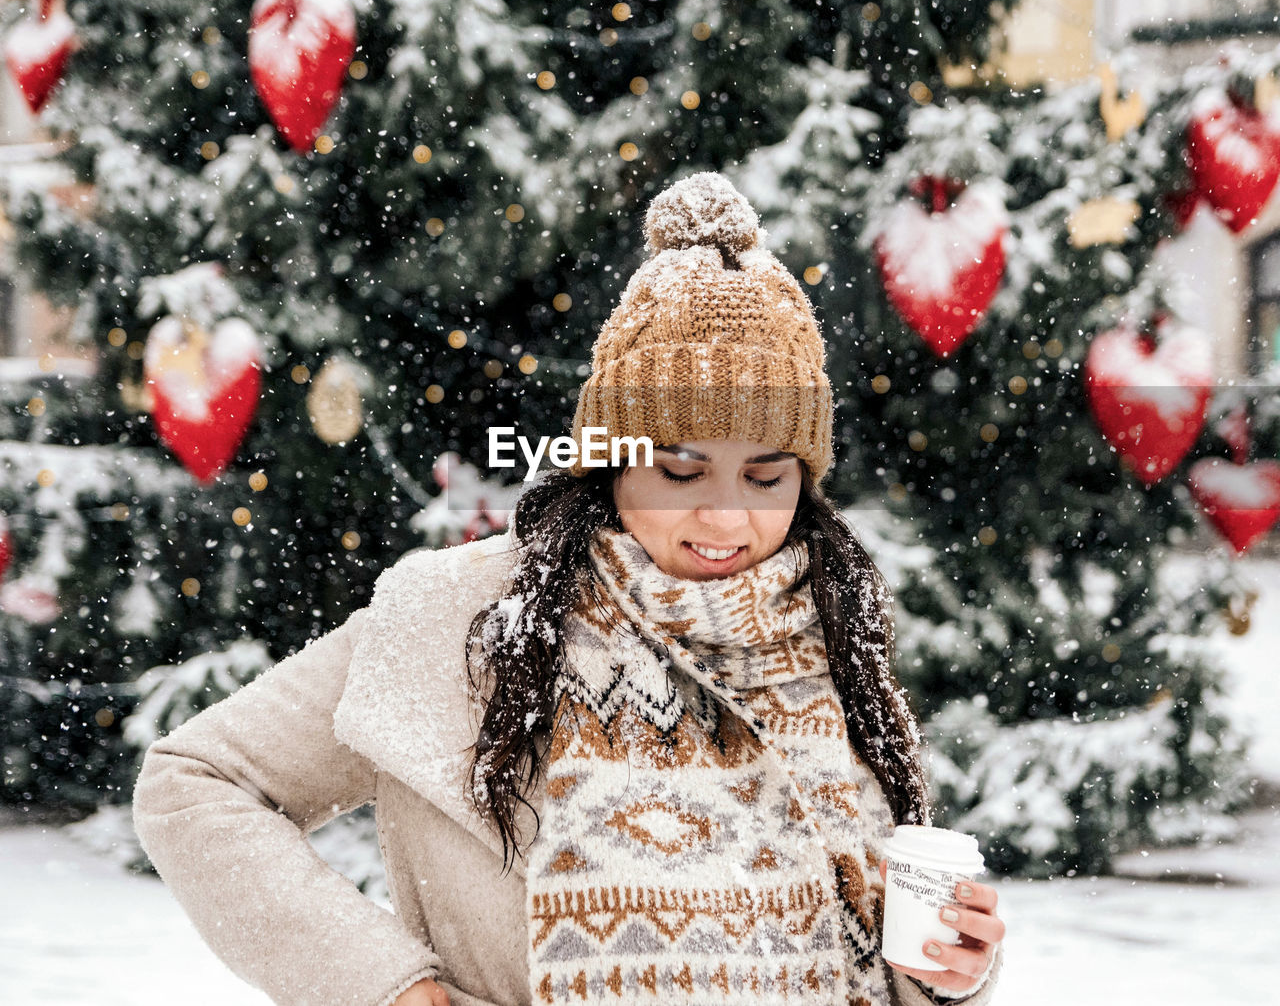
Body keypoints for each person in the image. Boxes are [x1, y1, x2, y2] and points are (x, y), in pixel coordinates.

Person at [132, 172, 1005, 1006]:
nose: (728, 520)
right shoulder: (465, 616)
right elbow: (196, 780)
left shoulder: (823, 634)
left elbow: (871, 957)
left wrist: (948, 970)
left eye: (767, 477)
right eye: (681, 467)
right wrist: (385, 982)